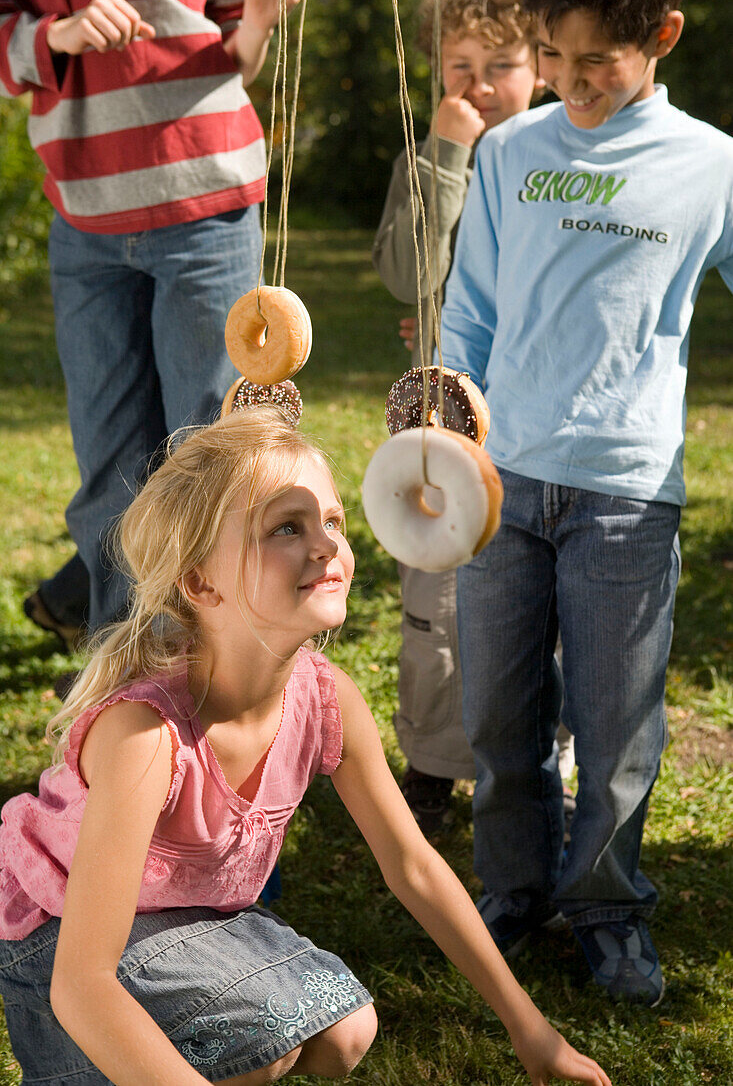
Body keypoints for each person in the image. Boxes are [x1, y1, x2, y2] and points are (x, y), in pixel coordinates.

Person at [0, 408, 611, 1086]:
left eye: (332, 522)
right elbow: (81, 984)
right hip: (57, 938)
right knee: (260, 1048)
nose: (325, 545)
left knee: (343, 1030)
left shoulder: (325, 700)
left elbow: (412, 866)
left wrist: (530, 1028)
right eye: (285, 527)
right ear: (201, 584)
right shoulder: (145, 737)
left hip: (185, 915)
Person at [439, 0, 733, 1004]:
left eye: (596, 60)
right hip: (498, 483)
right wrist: (443, 450)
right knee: (497, 714)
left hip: (627, 493)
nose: (571, 83)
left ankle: (606, 909)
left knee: (616, 731)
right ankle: (512, 891)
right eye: (554, 60)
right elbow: (466, 311)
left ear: (661, 38)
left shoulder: (711, 164)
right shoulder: (510, 153)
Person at [0, 0, 303, 639]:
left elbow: (236, 56)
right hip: (83, 211)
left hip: (207, 204)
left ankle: (212, 661)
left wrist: (260, 15)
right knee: (108, 462)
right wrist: (57, 33)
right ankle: (122, 671)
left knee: (207, 452)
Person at [373, 0, 568, 835]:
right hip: (441, 424)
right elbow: (401, 271)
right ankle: (431, 763)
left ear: (543, 69)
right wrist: (446, 159)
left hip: (539, 418)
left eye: (501, 67)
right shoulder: (431, 154)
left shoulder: (559, 160)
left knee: (535, 599)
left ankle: (535, 762)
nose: (480, 84)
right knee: (438, 599)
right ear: (434, 69)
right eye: (460, 67)